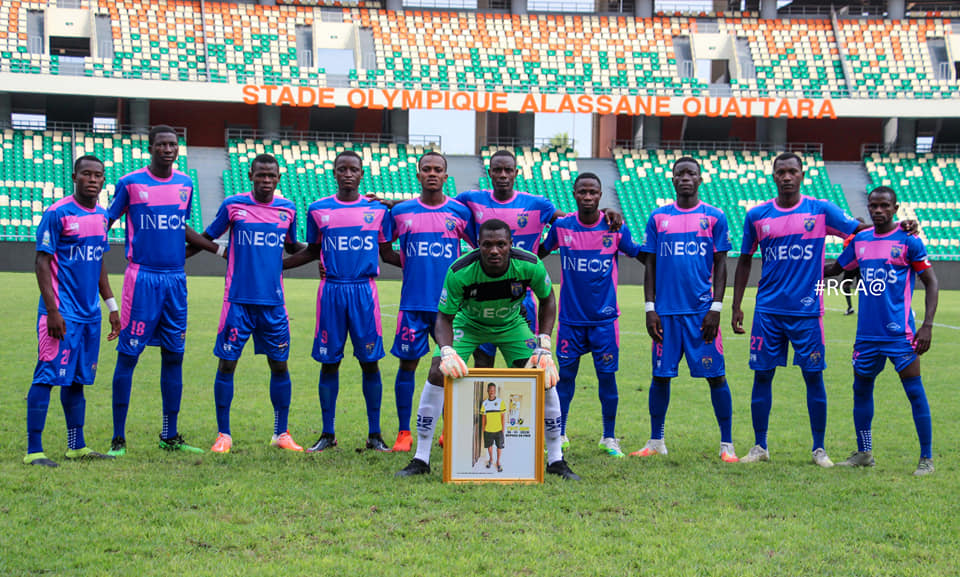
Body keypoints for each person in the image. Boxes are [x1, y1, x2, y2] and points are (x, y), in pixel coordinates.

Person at [396, 219, 580, 480]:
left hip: (510, 324)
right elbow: (443, 318)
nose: (494, 250)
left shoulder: (529, 264)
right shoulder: (460, 271)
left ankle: (556, 460)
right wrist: (446, 350)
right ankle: (421, 458)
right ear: (478, 245)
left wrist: (545, 343)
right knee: (437, 372)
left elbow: (548, 299)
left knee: (545, 375)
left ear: (510, 245)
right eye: (488, 245)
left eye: (501, 244)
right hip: (468, 323)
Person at [732, 152, 869, 467]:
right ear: (774, 176)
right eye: (781, 172)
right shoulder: (757, 215)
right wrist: (737, 304)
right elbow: (743, 260)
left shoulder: (820, 211)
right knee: (762, 376)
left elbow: (859, 232)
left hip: (807, 312)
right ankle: (759, 445)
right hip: (768, 310)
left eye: (792, 171)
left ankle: (819, 448)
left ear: (802, 174)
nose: (786, 177)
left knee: (813, 377)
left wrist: (837, 266)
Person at [106, 125, 219, 456]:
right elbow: (107, 219)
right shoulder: (130, 183)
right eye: (162, 144)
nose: (168, 149)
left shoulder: (185, 184)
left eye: (173, 144)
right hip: (142, 279)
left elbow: (178, 225)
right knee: (129, 355)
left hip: (175, 279)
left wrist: (217, 250)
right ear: (150, 147)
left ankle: (170, 434)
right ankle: (118, 438)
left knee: (175, 356)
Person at [284, 150, 394, 453]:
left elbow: (387, 253)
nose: (348, 173)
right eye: (342, 169)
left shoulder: (378, 211)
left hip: (363, 291)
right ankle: (328, 433)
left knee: (370, 363)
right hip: (331, 291)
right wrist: (276, 265)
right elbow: (310, 250)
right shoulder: (319, 209)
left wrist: (422, 263)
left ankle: (375, 435)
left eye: (353, 169)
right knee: (328, 362)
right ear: (334, 173)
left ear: (362, 174)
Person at [826, 186, 938, 476]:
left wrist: (926, 325)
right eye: (873, 205)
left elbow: (932, 283)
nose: (878, 211)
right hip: (866, 336)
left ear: (895, 208)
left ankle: (926, 457)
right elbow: (837, 268)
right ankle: (864, 452)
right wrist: (800, 264)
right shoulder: (861, 240)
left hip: (900, 334)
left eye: (884, 206)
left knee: (915, 392)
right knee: (861, 391)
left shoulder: (909, 240)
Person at [635, 158, 738, 463]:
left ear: (700, 178)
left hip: (701, 312)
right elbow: (650, 265)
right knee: (660, 376)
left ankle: (727, 444)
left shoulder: (715, 217)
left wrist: (716, 307)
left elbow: (721, 264)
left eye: (690, 173)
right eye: (679, 173)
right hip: (665, 313)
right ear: (673, 179)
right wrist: (650, 308)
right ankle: (656, 440)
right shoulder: (657, 218)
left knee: (716, 376)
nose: (685, 178)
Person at [199, 154, 303, 453]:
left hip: (273, 303)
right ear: (250, 174)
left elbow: (293, 247)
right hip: (237, 302)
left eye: (271, 176)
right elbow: (208, 236)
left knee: (280, 365)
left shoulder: (288, 209)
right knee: (227, 365)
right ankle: (224, 434)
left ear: (278, 177)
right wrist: (221, 253)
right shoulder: (233, 205)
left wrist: (323, 255)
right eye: (261, 175)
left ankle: (281, 433)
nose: (266, 180)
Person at [25, 155, 121, 466]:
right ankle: (34, 450)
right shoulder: (58, 213)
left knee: (78, 379)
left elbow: (99, 264)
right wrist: (52, 311)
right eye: (87, 174)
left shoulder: (103, 216)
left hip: (90, 314)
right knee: (46, 376)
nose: (93, 180)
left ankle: (76, 446)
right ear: (75, 177)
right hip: (61, 314)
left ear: (104, 181)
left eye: (98, 175)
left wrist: (111, 306)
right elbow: (41, 263)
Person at [537, 172, 641, 458]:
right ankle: (561, 433)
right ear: (574, 194)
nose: (587, 196)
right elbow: (539, 253)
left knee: (607, 378)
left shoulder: (614, 227)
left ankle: (609, 437)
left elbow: (641, 255)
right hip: (570, 320)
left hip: (604, 321)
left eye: (593, 192)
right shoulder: (562, 228)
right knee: (564, 380)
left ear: (599, 195)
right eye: (582, 192)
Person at [382, 152, 472, 452]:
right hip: (412, 304)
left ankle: (450, 429)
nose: (432, 173)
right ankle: (404, 433)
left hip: (449, 308)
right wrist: (410, 264)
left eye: (438, 170)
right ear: (418, 174)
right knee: (407, 365)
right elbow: (385, 250)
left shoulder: (460, 213)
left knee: (451, 368)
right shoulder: (400, 212)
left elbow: (478, 249)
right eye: (426, 169)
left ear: (446, 176)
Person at [481, 383, 505, 471]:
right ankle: (491, 459)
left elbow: (503, 416)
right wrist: (483, 429)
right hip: (488, 430)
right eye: (490, 390)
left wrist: (503, 428)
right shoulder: (485, 403)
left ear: (495, 391)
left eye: (493, 390)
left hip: (498, 430)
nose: (492, 392)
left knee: (499, 447)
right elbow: (483, 417)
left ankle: (498, 462)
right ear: (488, 391)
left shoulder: (500, 402)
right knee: (489, 446)